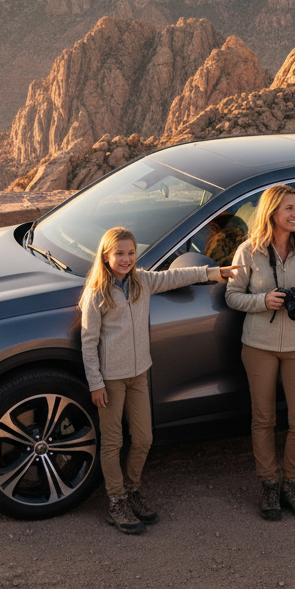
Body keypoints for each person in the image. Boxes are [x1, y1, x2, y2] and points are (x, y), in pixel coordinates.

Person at [80, 226, 238, 535]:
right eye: (119, 254)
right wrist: (95, 383)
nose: (126, 260)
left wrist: (213, 272)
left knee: (143, 439)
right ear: (106, 256)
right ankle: (117, 501)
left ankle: (132, 488)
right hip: (110, 380)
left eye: (131, 253)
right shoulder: (96, 293)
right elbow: (88, 343)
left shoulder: (142, 281)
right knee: (112, 442)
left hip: (140, 374)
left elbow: (174, 277)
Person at [225, 185, 295, 521]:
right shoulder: (248, 251)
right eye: (288, 209)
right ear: (271, 213)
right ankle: (269, 484)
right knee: (263, 419)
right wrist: (263, 301)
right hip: (259, 347)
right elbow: (232, 295)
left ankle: (292, 482)